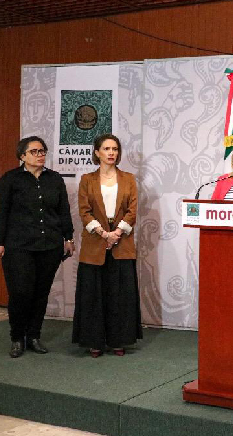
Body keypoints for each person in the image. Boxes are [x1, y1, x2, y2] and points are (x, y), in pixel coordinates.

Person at [0, 136, 75, 358]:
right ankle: (17, 337)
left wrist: (68, 238)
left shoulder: (55, 179)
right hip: (18, 246)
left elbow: (63, 211)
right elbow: (0, 212)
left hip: (49, 246)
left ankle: (34, 336)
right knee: (20, 292)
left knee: (40, 292)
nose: (40, 155)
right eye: (35, 151)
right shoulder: (10, 180)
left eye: (42, 151)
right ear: (22, 156)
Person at [72, 134, 142, 358]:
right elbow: (84, 211)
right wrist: (103, 234)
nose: (111, 153)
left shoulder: (129, 178)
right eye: (106, 149)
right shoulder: (87, 180)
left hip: (122, 243)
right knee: (93, 295)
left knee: (120, 294)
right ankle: (94, 341)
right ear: (97, 152)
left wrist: (117, 233)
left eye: (115, 149)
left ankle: (119, 340)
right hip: (95, 244)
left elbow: (132, 210)